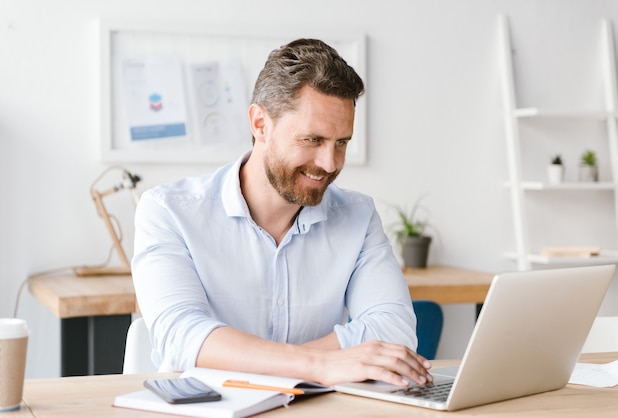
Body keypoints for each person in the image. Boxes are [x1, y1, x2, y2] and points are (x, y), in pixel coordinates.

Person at [132, 38, 433, 387]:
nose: (329, 163)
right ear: (260, 124)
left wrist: (283, 366)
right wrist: (318, 366)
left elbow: (393, 327)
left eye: (342, 142)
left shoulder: (357, 216)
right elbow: (182, 337)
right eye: (312, 140)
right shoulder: (169, 211)